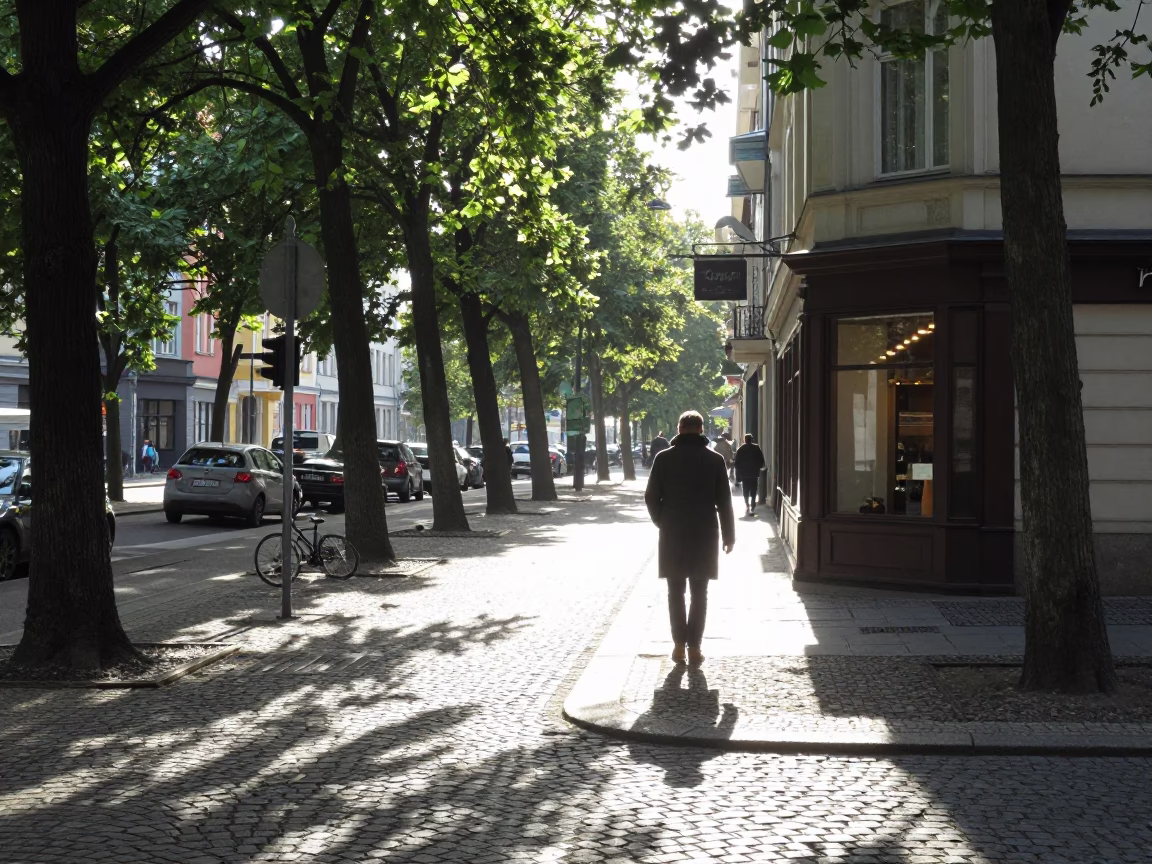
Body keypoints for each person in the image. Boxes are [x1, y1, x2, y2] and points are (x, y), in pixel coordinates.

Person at [644, 410, 735, 668]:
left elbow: (651, 496)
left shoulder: (663, 459)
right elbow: (724, 502)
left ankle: (677, 647)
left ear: (678, 429)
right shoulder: (715, 460)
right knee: (699, 592)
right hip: (705, 532)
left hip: (672, 532)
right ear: (702, 430)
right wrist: (729, 535)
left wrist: (662, 520)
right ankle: (694, 647)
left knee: (675, 591)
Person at [733, 433, 766, 515]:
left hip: (745, 474)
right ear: (752, 439)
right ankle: (753, 503)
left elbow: (736, 463)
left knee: (746, 490)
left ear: (745, 439)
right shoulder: (756, 448)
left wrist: (738, 473)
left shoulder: (741, 449)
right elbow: (761, 460)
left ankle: (747, 505)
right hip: (754, 473)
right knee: (754, 489)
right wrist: (760, 466)